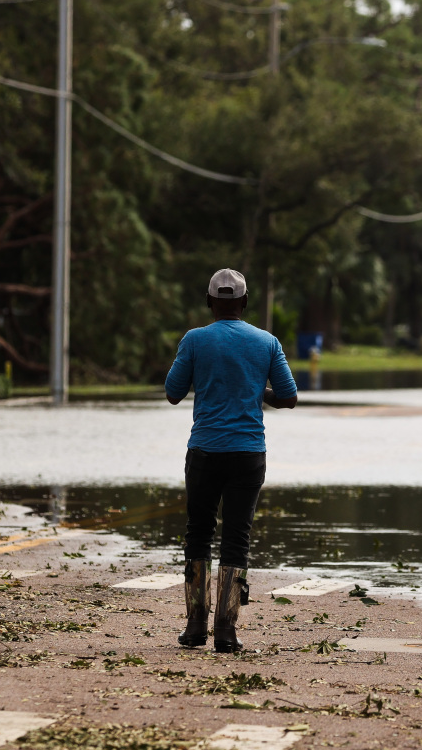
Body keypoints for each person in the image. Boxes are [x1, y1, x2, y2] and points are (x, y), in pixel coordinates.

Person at [165, 268, 297, 652]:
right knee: (237, 537)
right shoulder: (267, 342)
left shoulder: (194, 340)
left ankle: (194, 627)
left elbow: (173, 392)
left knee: (198, 533)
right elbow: (288, 396)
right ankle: (226, 630)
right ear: (245, 302)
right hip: (248, 454)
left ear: (209, 302)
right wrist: (257, 391)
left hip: (204, 452)